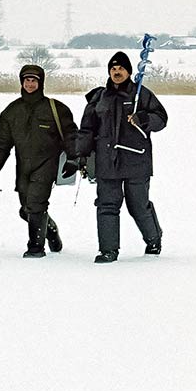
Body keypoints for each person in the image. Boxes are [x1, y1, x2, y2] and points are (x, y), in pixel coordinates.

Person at [73, 51, 168, 263]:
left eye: (121, 69)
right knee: (107, 205)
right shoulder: (99, 97)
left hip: (136, 159)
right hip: (107, 161)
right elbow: (87, 129)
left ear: (129, 72)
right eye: (113, 69)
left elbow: (161, 118)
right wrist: (81, 155)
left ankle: (154, 239)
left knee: (138, 204)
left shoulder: (141, 95)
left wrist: (143, 118)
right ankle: (108, 250)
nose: (117, 72)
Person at [0, 64, 80, 258]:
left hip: (47, 163)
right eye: (27, 80)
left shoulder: (56, 109)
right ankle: (51, 230)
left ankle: (36, 249)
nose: (30, 84)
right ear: (21, 82)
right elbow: (1, 145)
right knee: (25, 210)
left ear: (41, 83)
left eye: (34, 81)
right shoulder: (11, 112)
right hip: (23, 167)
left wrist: (73, 159)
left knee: (36, 204)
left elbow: (72, 136)